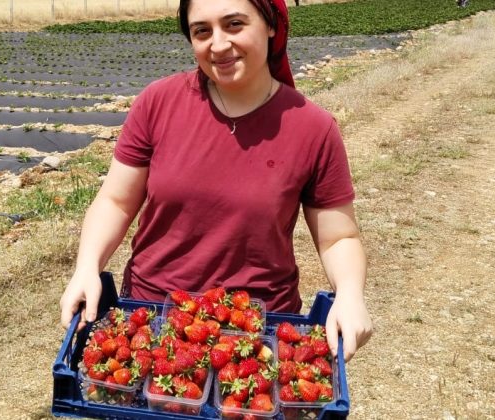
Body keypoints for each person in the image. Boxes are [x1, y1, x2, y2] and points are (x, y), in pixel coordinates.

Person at [60, 0, 372, 362]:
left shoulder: (313, 128)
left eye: (235, 24)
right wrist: (87, 266)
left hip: (257, 331)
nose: (219, 45)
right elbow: (116, 201)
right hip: (149, 320)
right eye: (202, 31)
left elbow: (338, 237)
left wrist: (350, 294)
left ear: (271, 25)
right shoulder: (158, 103)